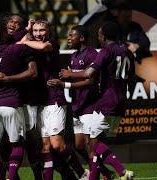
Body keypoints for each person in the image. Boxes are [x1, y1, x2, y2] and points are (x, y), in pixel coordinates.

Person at [58, 21, 135, 180]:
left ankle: (122, 172)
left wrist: (69, 75)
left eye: (99, 35)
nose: (98, 37)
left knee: (93, 145)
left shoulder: (105, 51)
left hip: (107, 102)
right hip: (121, 102)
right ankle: (103, 175)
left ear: (104, 36)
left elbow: (89, 74)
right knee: (96, 145)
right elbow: (131, 76)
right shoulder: (127, 52)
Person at [18, 19, 88, 180]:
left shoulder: (52, 43)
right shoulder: (31, 43)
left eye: (41, 30)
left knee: (57, 144)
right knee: (46, 146)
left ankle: (82, 173)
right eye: (35, 31)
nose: (38, 34)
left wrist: (26, 39)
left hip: (55, 98)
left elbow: (40, 46)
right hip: (40, 101)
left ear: (49, 31)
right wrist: (27, 31)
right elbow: (20, 43)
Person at [47, 25, 115, 179]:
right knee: (78, 146)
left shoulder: (91, 54)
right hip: (78, 106)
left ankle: (100, 175)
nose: (68, 39)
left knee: (91, 146)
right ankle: (106, 172)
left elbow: (90, 81)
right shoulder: (74, 55)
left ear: (82, 38)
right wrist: (69, 76)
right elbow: (77, 76)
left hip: (90, 106)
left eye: (72, 36)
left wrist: (66, 82)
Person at [0, 19, 37, 180]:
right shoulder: (16, 50)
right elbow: (33, 73)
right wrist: (8, 79)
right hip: (10, 104)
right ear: (3, 33)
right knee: (17, 146)